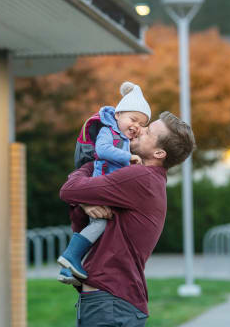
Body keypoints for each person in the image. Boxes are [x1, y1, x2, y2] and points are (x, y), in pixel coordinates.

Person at [59, 111, 196, 327]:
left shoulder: (139, 177)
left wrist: (95, 161)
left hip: (109, 305)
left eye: (149, 131)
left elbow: (68, 190)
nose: (139, 128)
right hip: (113, 303)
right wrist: (85, 199)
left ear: (159, 153)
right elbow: (78, 210)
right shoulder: (146, 179)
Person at [57, 81, 151, 283]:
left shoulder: (124, 139)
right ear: (117, 115)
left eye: (142, 124)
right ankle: (70, 257)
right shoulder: (109, 131)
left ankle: (68, 269)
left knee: (97, 229)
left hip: (107, 189)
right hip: (100, 186)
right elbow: (103, 151)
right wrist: (129, 158)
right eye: (133, 119)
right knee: (98, 225)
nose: (136, 126)